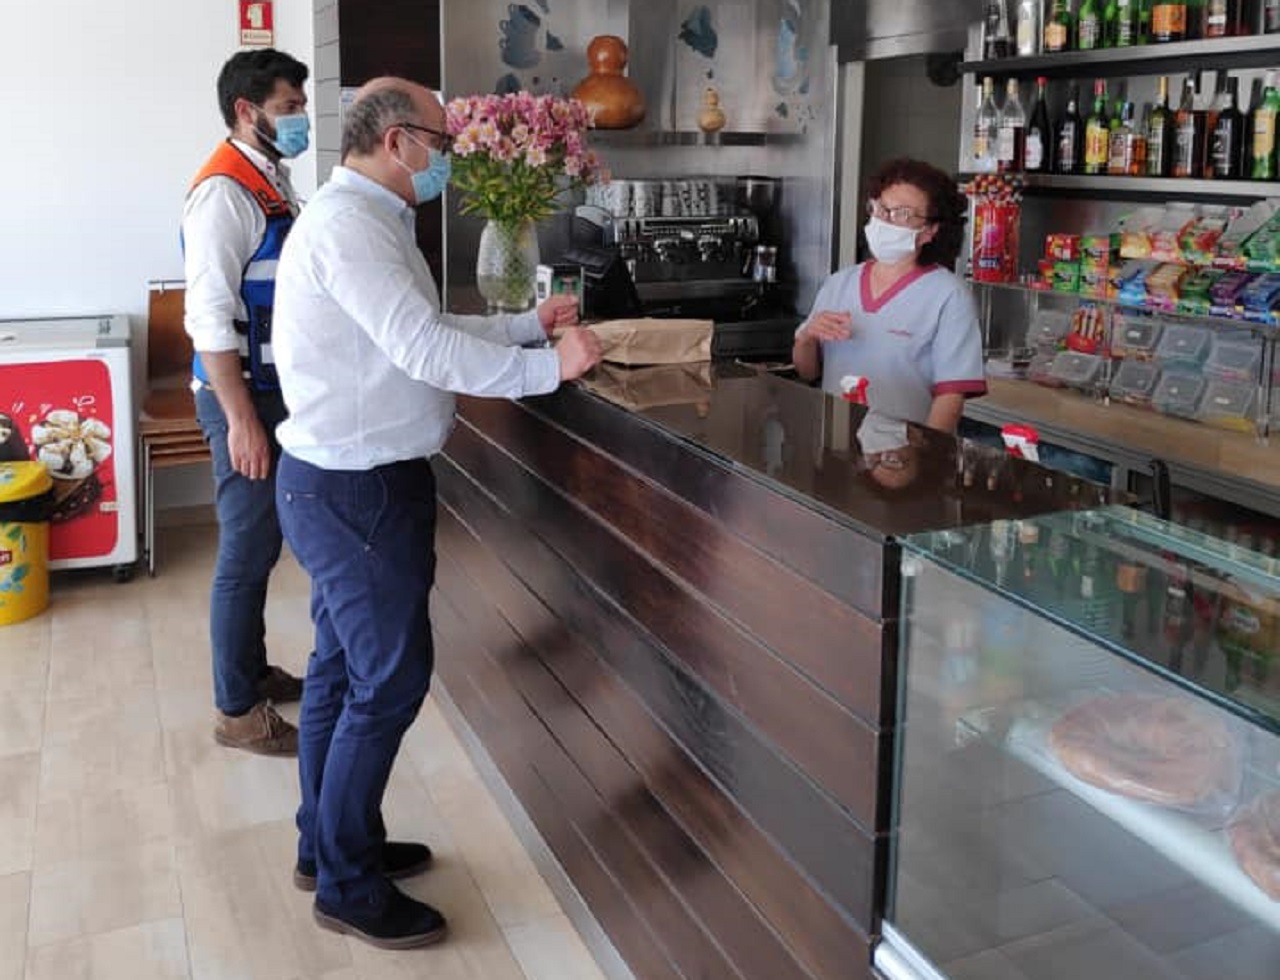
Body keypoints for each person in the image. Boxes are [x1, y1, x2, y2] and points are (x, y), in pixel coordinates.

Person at [271, 77, 603, 950]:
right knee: (386, 683)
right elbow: (421, 350)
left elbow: (421, 329)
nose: (448, 157)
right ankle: (347, 884)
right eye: (442, 141)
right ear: (398, 142)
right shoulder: (350, 229)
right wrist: (551, 368)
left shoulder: (368, 219)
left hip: (347, 482)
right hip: (357, 491)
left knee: (340, 673)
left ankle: (328, 844)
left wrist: (524, 327)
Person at [183, 48, 312, 755]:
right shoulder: (222, 192)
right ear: (247, 109)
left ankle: (252, 673)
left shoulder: (268, 178)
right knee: (246, 549)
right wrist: (240, 420)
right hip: (243, 397)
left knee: (260, 547)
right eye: (290, 107)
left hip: (271, 390)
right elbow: (208, 319)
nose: (300, 119)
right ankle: (237, 710)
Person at [793, 158, 987, 432]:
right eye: (881, 209)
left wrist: (924, 452)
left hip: (904, 450)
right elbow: (808, 372)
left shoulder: (948, 295)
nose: (884, 220)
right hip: (836, 441)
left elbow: (950, 398)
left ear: (930, 230)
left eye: (902, 214)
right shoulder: (840, 283)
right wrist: (807, 338)